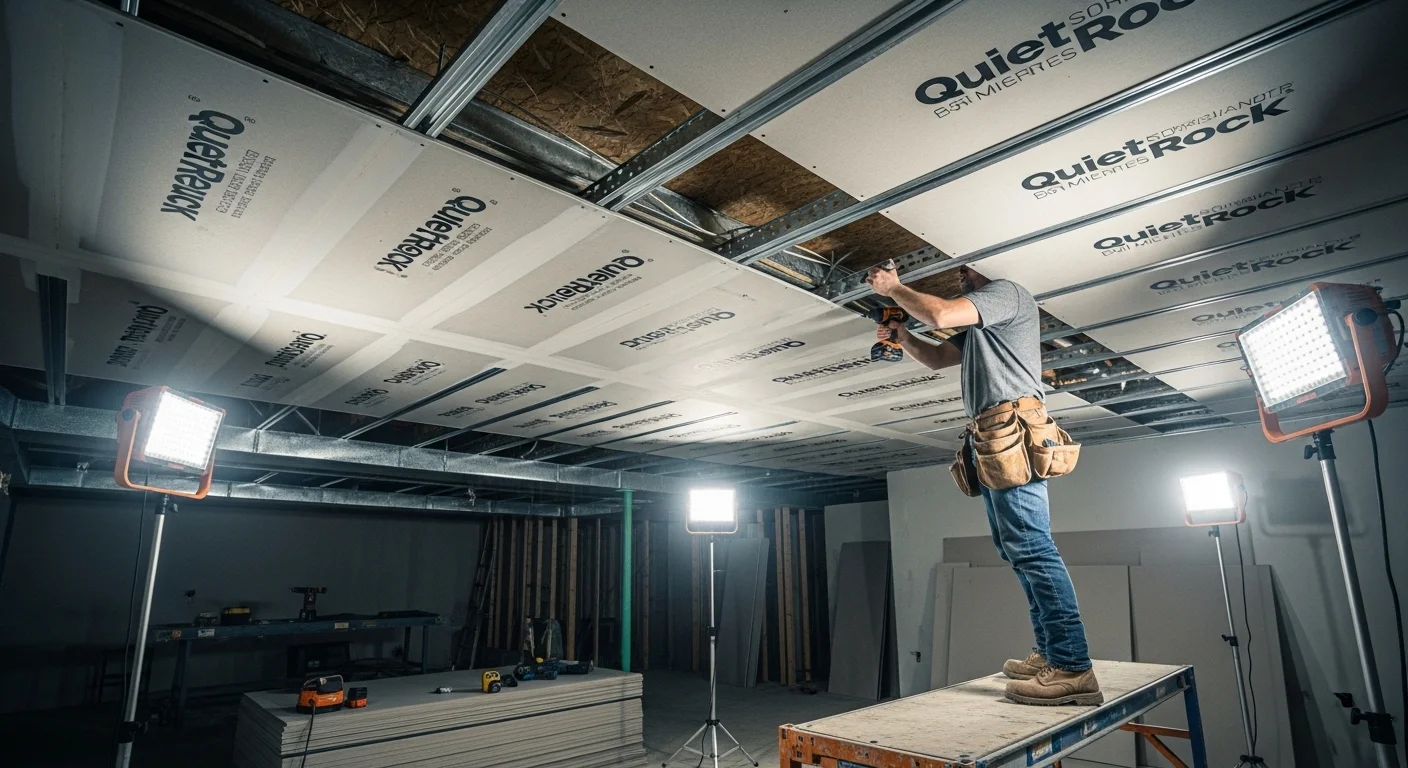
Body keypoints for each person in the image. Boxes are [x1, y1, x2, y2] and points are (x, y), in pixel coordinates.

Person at [865, 263, 1102, 706]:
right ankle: (1052, 653)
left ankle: (1073, 665)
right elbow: (937, 356)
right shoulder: (981, 326)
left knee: (1033, 548)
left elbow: (938, 315)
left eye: (967, 267)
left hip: (1011, 431)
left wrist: (895, 288)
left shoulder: (1007, 292)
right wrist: (901, 338)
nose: (960, 274)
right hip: (993, 437)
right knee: (1017, 549)